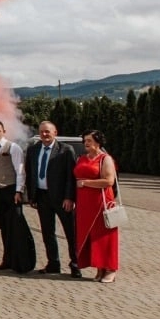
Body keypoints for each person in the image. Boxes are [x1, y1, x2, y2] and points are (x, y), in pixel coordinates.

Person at [25, 121, 80, 277]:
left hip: (62, 198)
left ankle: (75, 264)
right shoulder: (33, 150)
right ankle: (53, 263)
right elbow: (30, 172)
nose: (44, 134)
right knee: (47, 232)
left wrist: (69, 197)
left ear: (55, 133)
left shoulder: (65, 150)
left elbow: (71, 176)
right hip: (42, 196)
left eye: (47, 132)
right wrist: (31, 196)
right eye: (42, 131)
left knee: (71, 233)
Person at [74, 130, 119, 283]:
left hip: (102, 202)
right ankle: (99, 267)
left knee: (104, 236)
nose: (86, 143)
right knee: (90, 236)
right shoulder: (81, 158)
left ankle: (110, 269)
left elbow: (109, 181)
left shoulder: (105, 159)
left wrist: (85, 183)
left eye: (89, 141)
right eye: (85, 141)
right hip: (84, 203)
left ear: (98, 142)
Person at [0, 120, 25, 270]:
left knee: (14, 226)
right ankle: (7, 259)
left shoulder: (13, 147)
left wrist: (18, 191)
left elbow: (20, 171)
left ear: (4, 131)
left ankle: (18, 260)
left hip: (11, 190)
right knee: (3, 227)